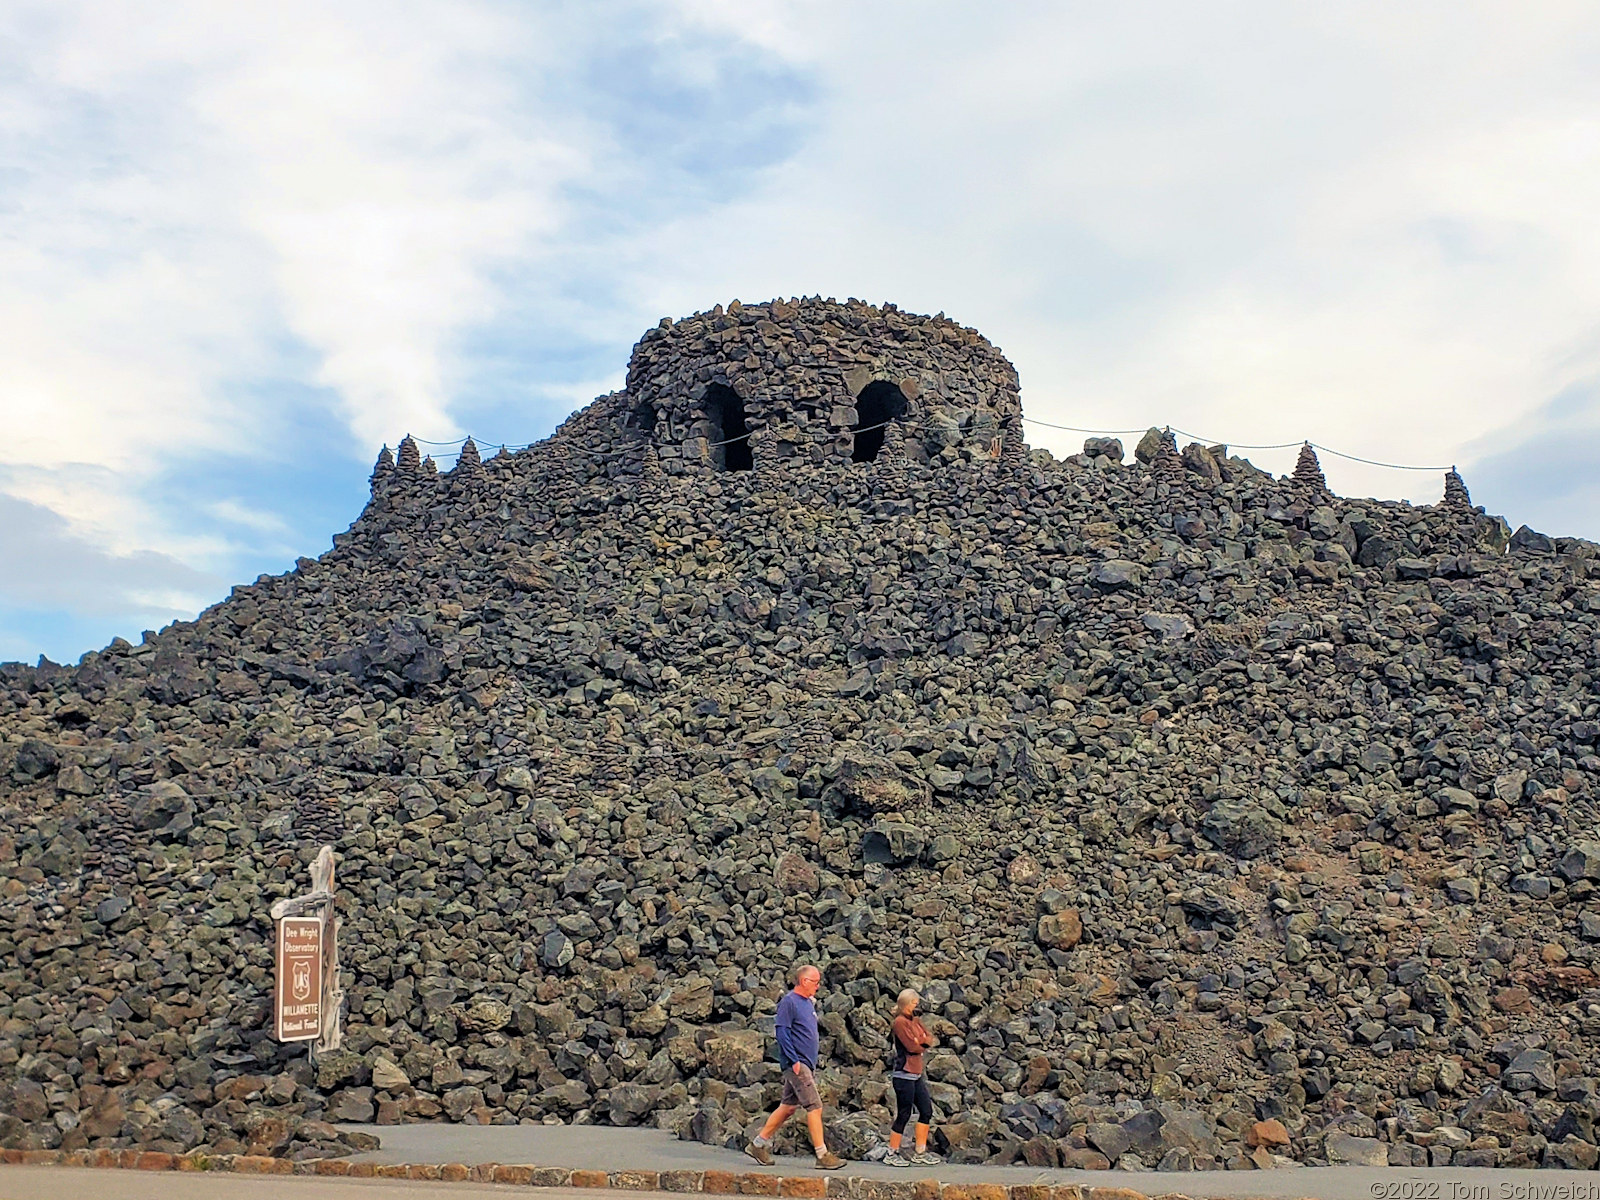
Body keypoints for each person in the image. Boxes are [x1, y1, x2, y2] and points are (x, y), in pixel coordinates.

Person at [747, 965, 845, 1170]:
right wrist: (794, 1061)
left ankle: (757, 1145)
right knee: (815, 1107)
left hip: (805, 1063)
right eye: (816, 982)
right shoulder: (789, 1002)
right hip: (797, 1065)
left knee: (788, 1107)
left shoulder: (808, 1003)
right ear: (804, 981)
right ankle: (822, 1154)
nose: (818, 986)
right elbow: (782, 1032)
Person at [884, 988, 939, 1167]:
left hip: (916, 1074)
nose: (916, 1006)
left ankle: (920, 1151)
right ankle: (892, 1152)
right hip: (904, 1074)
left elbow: (929, 1038)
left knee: (926, 1111)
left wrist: (921, 1040)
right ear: (906, 1004)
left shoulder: (915, 1020)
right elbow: (911, 1046)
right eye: (914, 1003)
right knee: (904, 1113)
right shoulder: (899, 1022)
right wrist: (920, 1042)